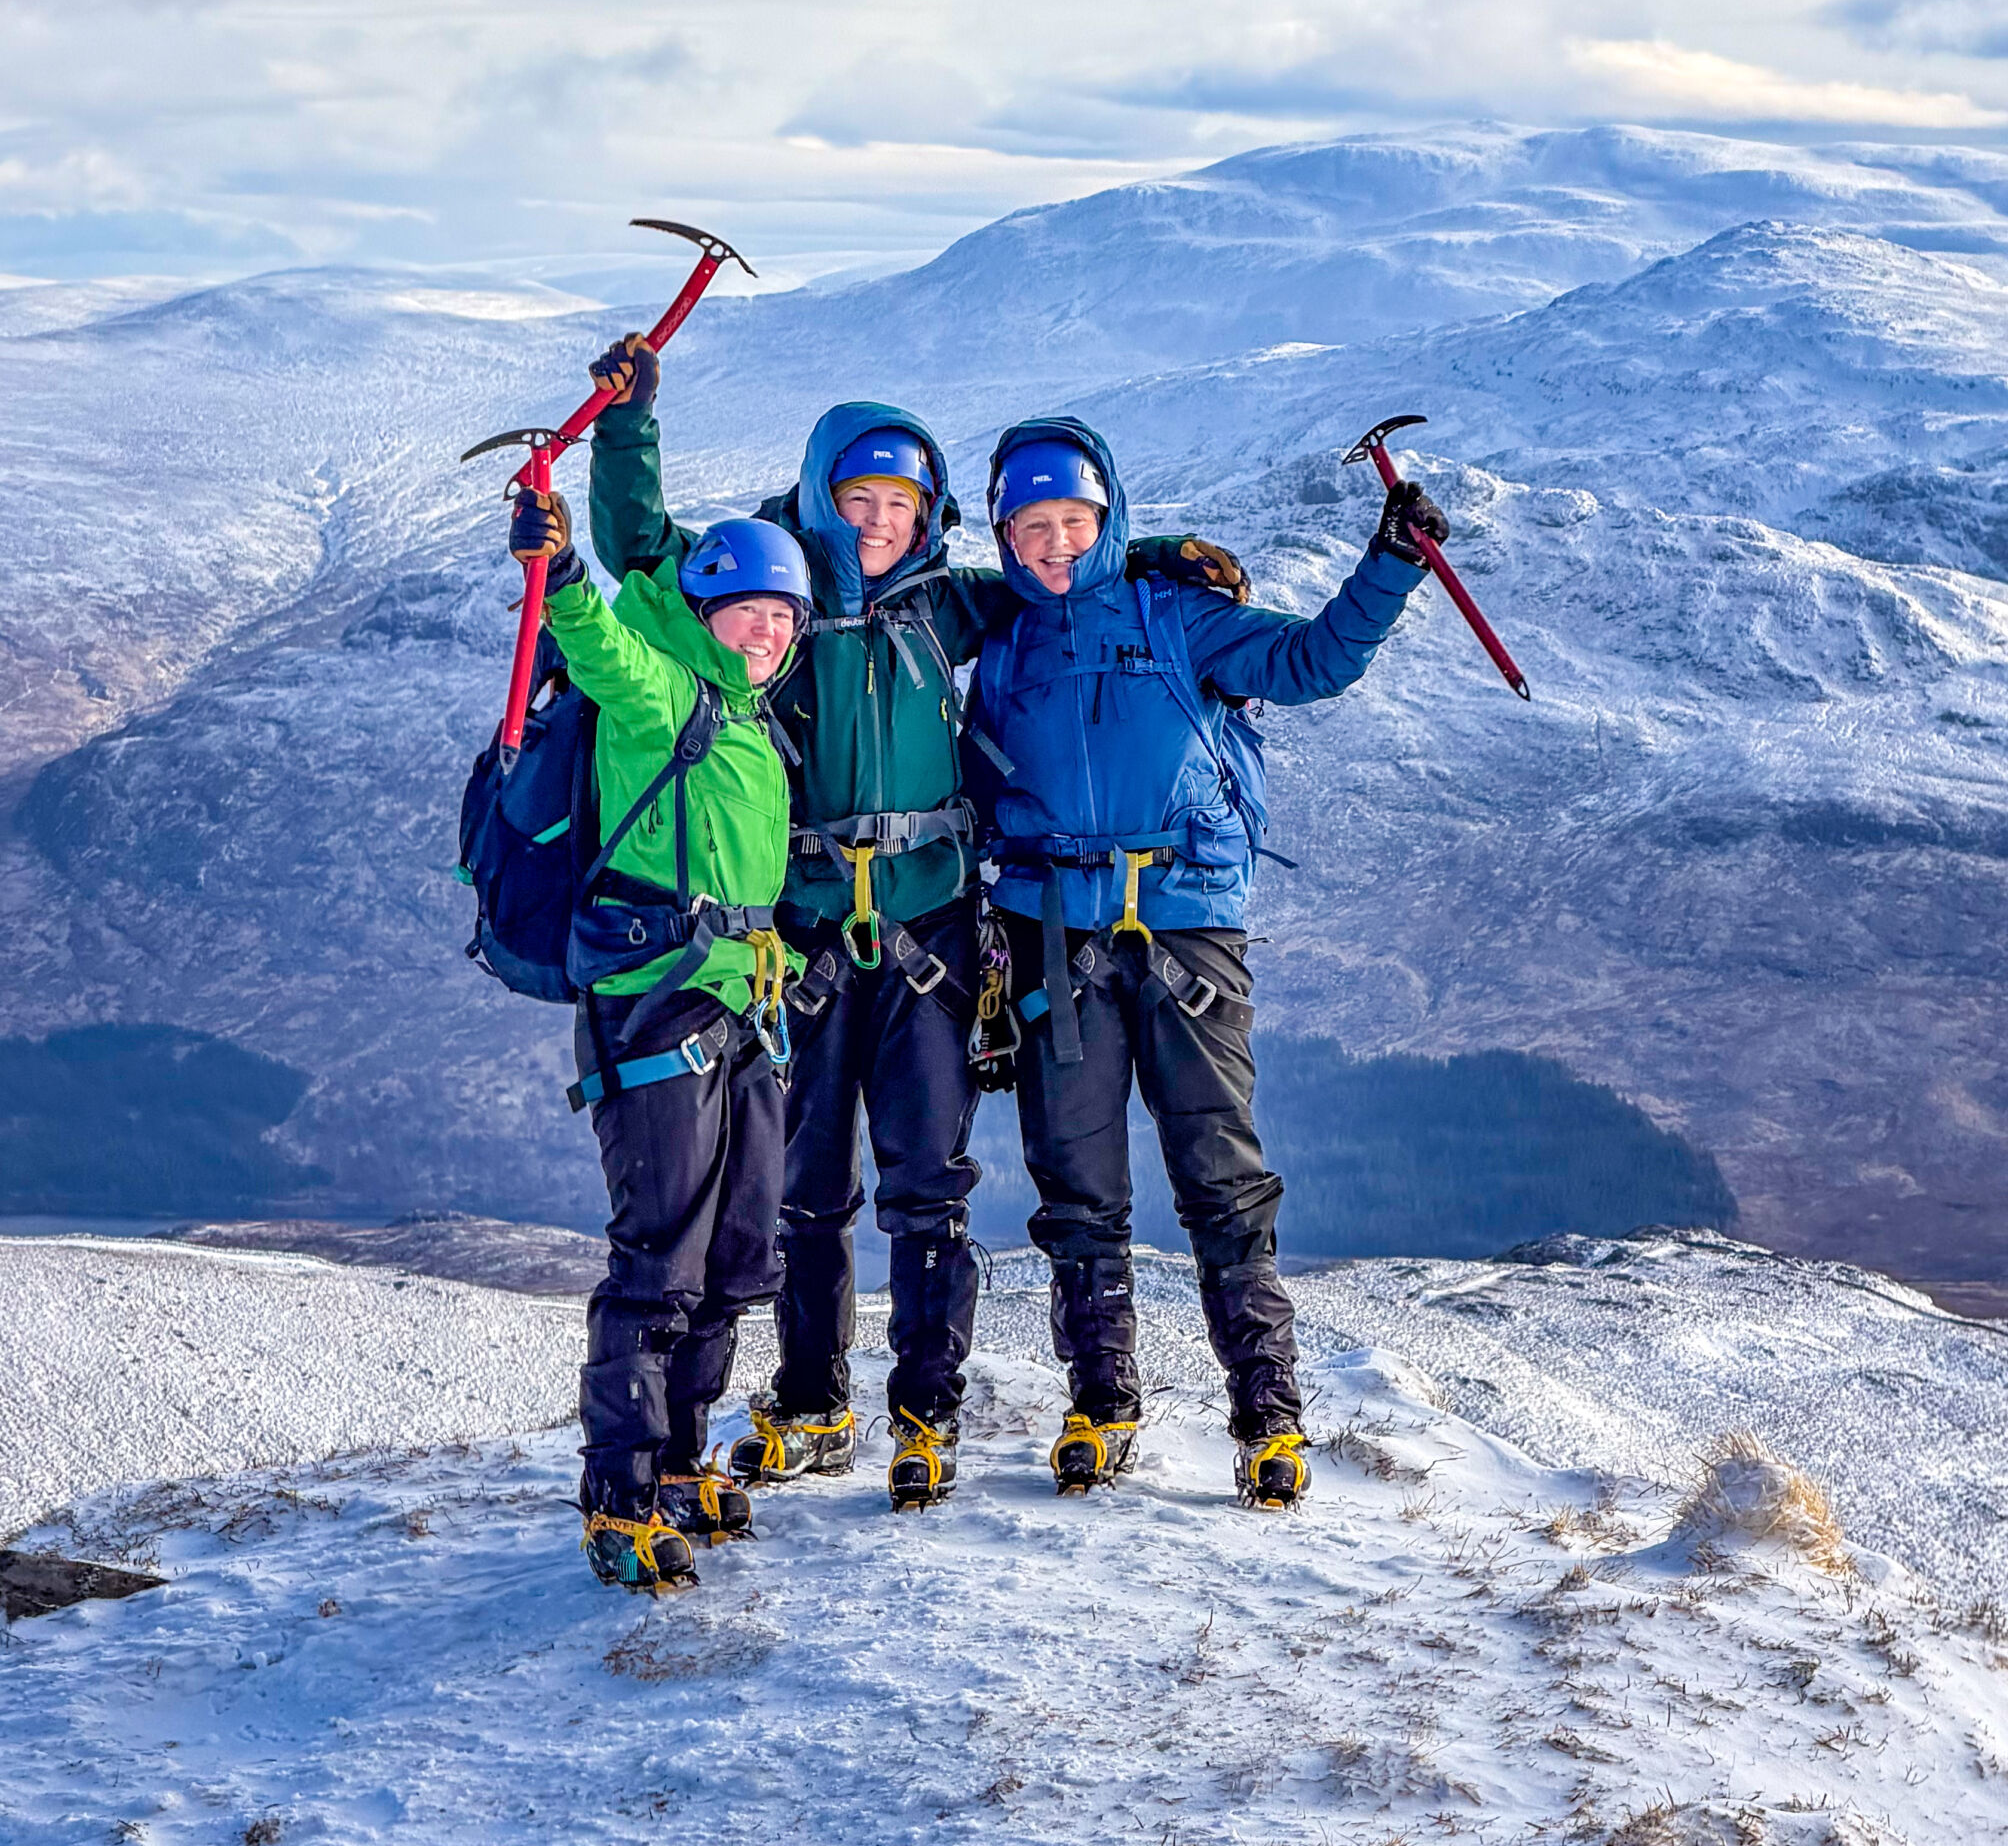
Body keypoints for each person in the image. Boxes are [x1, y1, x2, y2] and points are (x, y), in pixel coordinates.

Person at [581, 335, 1240, 1510]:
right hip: (809, 934)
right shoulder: (768, 597)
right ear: (823, 496)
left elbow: (1059, 575)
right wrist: (631, 423)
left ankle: (923, 1412)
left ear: (929, 509)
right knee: (807, 1187)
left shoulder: (950, 602)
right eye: (858, 497)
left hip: (932, 927)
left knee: (926, 1180)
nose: (880, 520)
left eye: (901, 500)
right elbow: (637, 548)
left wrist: (1147, 550)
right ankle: (814, 1398)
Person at [966, 415, 1448, 1508]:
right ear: (1002, 534)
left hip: (1185, 932)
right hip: (1055, 939)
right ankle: (1100, 1402)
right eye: (1030, 526)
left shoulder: (1180, 616)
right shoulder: (1001, 645)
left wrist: (1388, 566)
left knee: (1220, 1179)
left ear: (1106, 517)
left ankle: (1268, 1416)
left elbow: (1312, 662)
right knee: (1076, 1189)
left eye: (1073, 521)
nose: (1053, 544)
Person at [515, 487, 812, 1588]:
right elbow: (594, 640)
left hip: (745, 1008)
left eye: (786, 617)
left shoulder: (746, 720)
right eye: (748, 612)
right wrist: (559, 571)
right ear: (702, 609)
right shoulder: (664, 693)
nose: (769, 633)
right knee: (660, 1262)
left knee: (738, 1256)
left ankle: (681, 1462)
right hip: (659, 1007)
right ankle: (619, 1497)